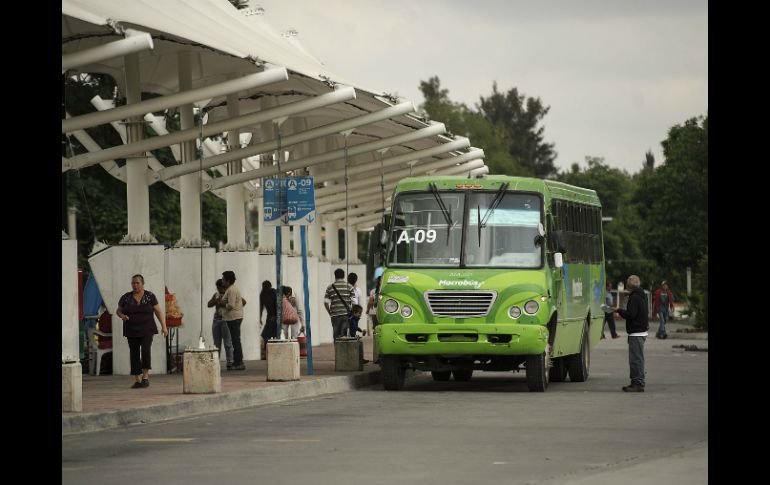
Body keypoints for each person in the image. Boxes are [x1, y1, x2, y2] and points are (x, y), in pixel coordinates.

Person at [116, 274, 168, 389]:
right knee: (134, 353)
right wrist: (122, 316)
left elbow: (158, 312)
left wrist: (164, 326)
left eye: (137, 283)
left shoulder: (150, 296)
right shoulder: (126, 297)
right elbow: (118, 311)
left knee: (145, 351)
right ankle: (137, 380)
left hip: (147, 329)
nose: (135, 285)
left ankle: (145, 377)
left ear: (142, 284)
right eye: (133, 283)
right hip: (131, 330)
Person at [611, 275, 649, 392]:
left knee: (635, 359)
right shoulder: (642, 295)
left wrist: (619, 310)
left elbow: (631, 314)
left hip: (636, 333)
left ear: (629, 285)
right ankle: (637, 381)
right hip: (640, 331)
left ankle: (637, 383)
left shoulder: (634, 297)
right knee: (638, 359)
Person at [221, 271, 245, 370]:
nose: (222, 281)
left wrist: (222, 303)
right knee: (235, 340)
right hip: (233, 317)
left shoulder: (231, 290)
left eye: (223, 279)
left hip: (234, 317)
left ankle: (238, 362)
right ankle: (238, 361)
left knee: (235, 340)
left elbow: (231, 305)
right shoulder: (231, 289)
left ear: (228, 280)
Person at [325, 268, 354, 338]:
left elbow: (326, 303)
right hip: (345, 314)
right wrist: (352, 311)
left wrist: (330, 313)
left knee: (336, 335)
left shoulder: (330, 287)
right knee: (344, 335)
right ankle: (343, 348)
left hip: (334, 315)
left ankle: (337, 348)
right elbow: (354, 302)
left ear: (335, 276)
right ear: (344, 276)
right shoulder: (349, 287)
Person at [260, 280, 278, 359]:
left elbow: (261, 307)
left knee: (266, 334)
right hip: (274, 315)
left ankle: (267, 351)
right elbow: (278, 305)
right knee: (270, 334)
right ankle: (270, 352)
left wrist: (260, 317)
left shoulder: (263, 294)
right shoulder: (273, 292)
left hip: (271, 315)